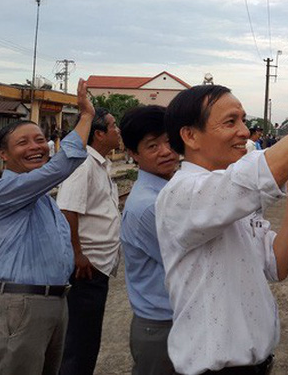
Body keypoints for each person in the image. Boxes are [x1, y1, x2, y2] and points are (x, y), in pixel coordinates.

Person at [156, 25, 288, 374]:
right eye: (230, 122)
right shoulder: (182, 196)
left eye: (243, 120)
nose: (244, 132)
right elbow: (257, 175)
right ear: (190, 136)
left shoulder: (223, 197)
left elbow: (277, 267)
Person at [0, 80, 95, 375]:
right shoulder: (7, 190)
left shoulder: (40, 196)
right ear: (3, 155)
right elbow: (62, 166)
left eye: (40, 140)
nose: (36, 147)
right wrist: (86, 116)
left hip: (53, 302)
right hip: (21, 304)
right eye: (23, 143)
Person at [57, 107, 122, 375]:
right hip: (87, 267)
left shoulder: (99, 164)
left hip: (99, 265)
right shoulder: (83, 165)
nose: (118, 130)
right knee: (79, 343)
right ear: (98, 133)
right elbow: (67, 209)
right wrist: (77, 253)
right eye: (113, 126)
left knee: (88, 339)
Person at [119, 105, 180, 375]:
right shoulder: (149, 205)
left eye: (169, 141)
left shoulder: (168, 189)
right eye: (152, 145)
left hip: (171, 321)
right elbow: (189, 259)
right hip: (161, 327)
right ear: (133, 154)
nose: (166, 151)